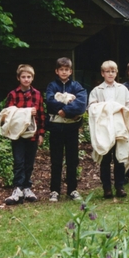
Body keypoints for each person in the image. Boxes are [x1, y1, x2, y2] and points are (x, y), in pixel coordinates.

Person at [88, 61, 129, 199]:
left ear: (116, 73)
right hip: (104, 129)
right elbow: (92, 107)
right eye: (107, 71)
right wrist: (106, 107)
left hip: (119, 127)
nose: (110, 74)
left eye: (113, 71)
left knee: (119, 157)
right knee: (105, 158)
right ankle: (106, 188)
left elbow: (128, 106)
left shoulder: (122, 89)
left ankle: (120, 186)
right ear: (103, 73)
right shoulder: (97, 91)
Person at [2, 64, 45, 205]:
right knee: (19, 161)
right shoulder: (13, 94)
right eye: (23, 77)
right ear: (18, 78)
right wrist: (26, 111)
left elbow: (41, 115)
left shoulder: (37, 94)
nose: (26, 79)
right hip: (18, 134)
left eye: (29, 77)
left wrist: (41, 134)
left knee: (29, 162)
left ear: (32, 78)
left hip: (32, 134)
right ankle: (18, 187)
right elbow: (9, 114)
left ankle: (27, 187)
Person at [45, 57, 87, 202]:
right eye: (61, 69)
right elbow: (50, 101)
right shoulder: (52, 86)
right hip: (56, 128)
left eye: (66, 69)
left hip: (71, 129)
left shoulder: (76, 86)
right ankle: (55, 190)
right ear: (57, 71)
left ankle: (72, 189)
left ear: (70, 71)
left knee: (72, 160)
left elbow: (81, 104)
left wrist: (66, 111)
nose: (64, 72)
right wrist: (65, 105)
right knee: (56, 160)